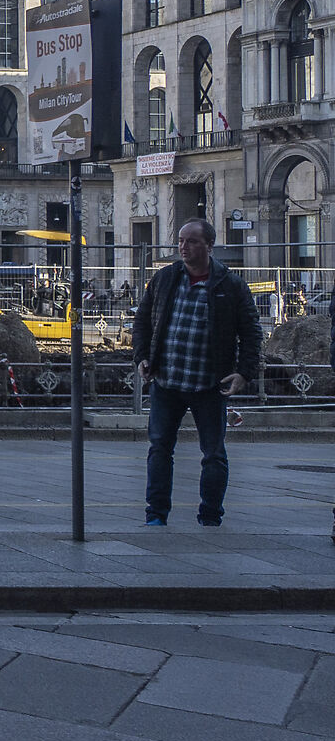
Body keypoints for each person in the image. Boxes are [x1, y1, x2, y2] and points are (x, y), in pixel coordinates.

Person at [132, 219, 262, 527]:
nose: (183, 247)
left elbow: (251, 332)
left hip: (209, 384)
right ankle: (156, 514)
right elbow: (142, 321)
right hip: (167, 381)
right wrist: (142, 356)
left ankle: (210, 516)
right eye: (180, 240)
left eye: (191, 241)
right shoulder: (166, 278)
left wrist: (244, 373)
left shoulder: (230, 285)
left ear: (209, 246)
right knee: (159, 448)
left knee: (213, 453)